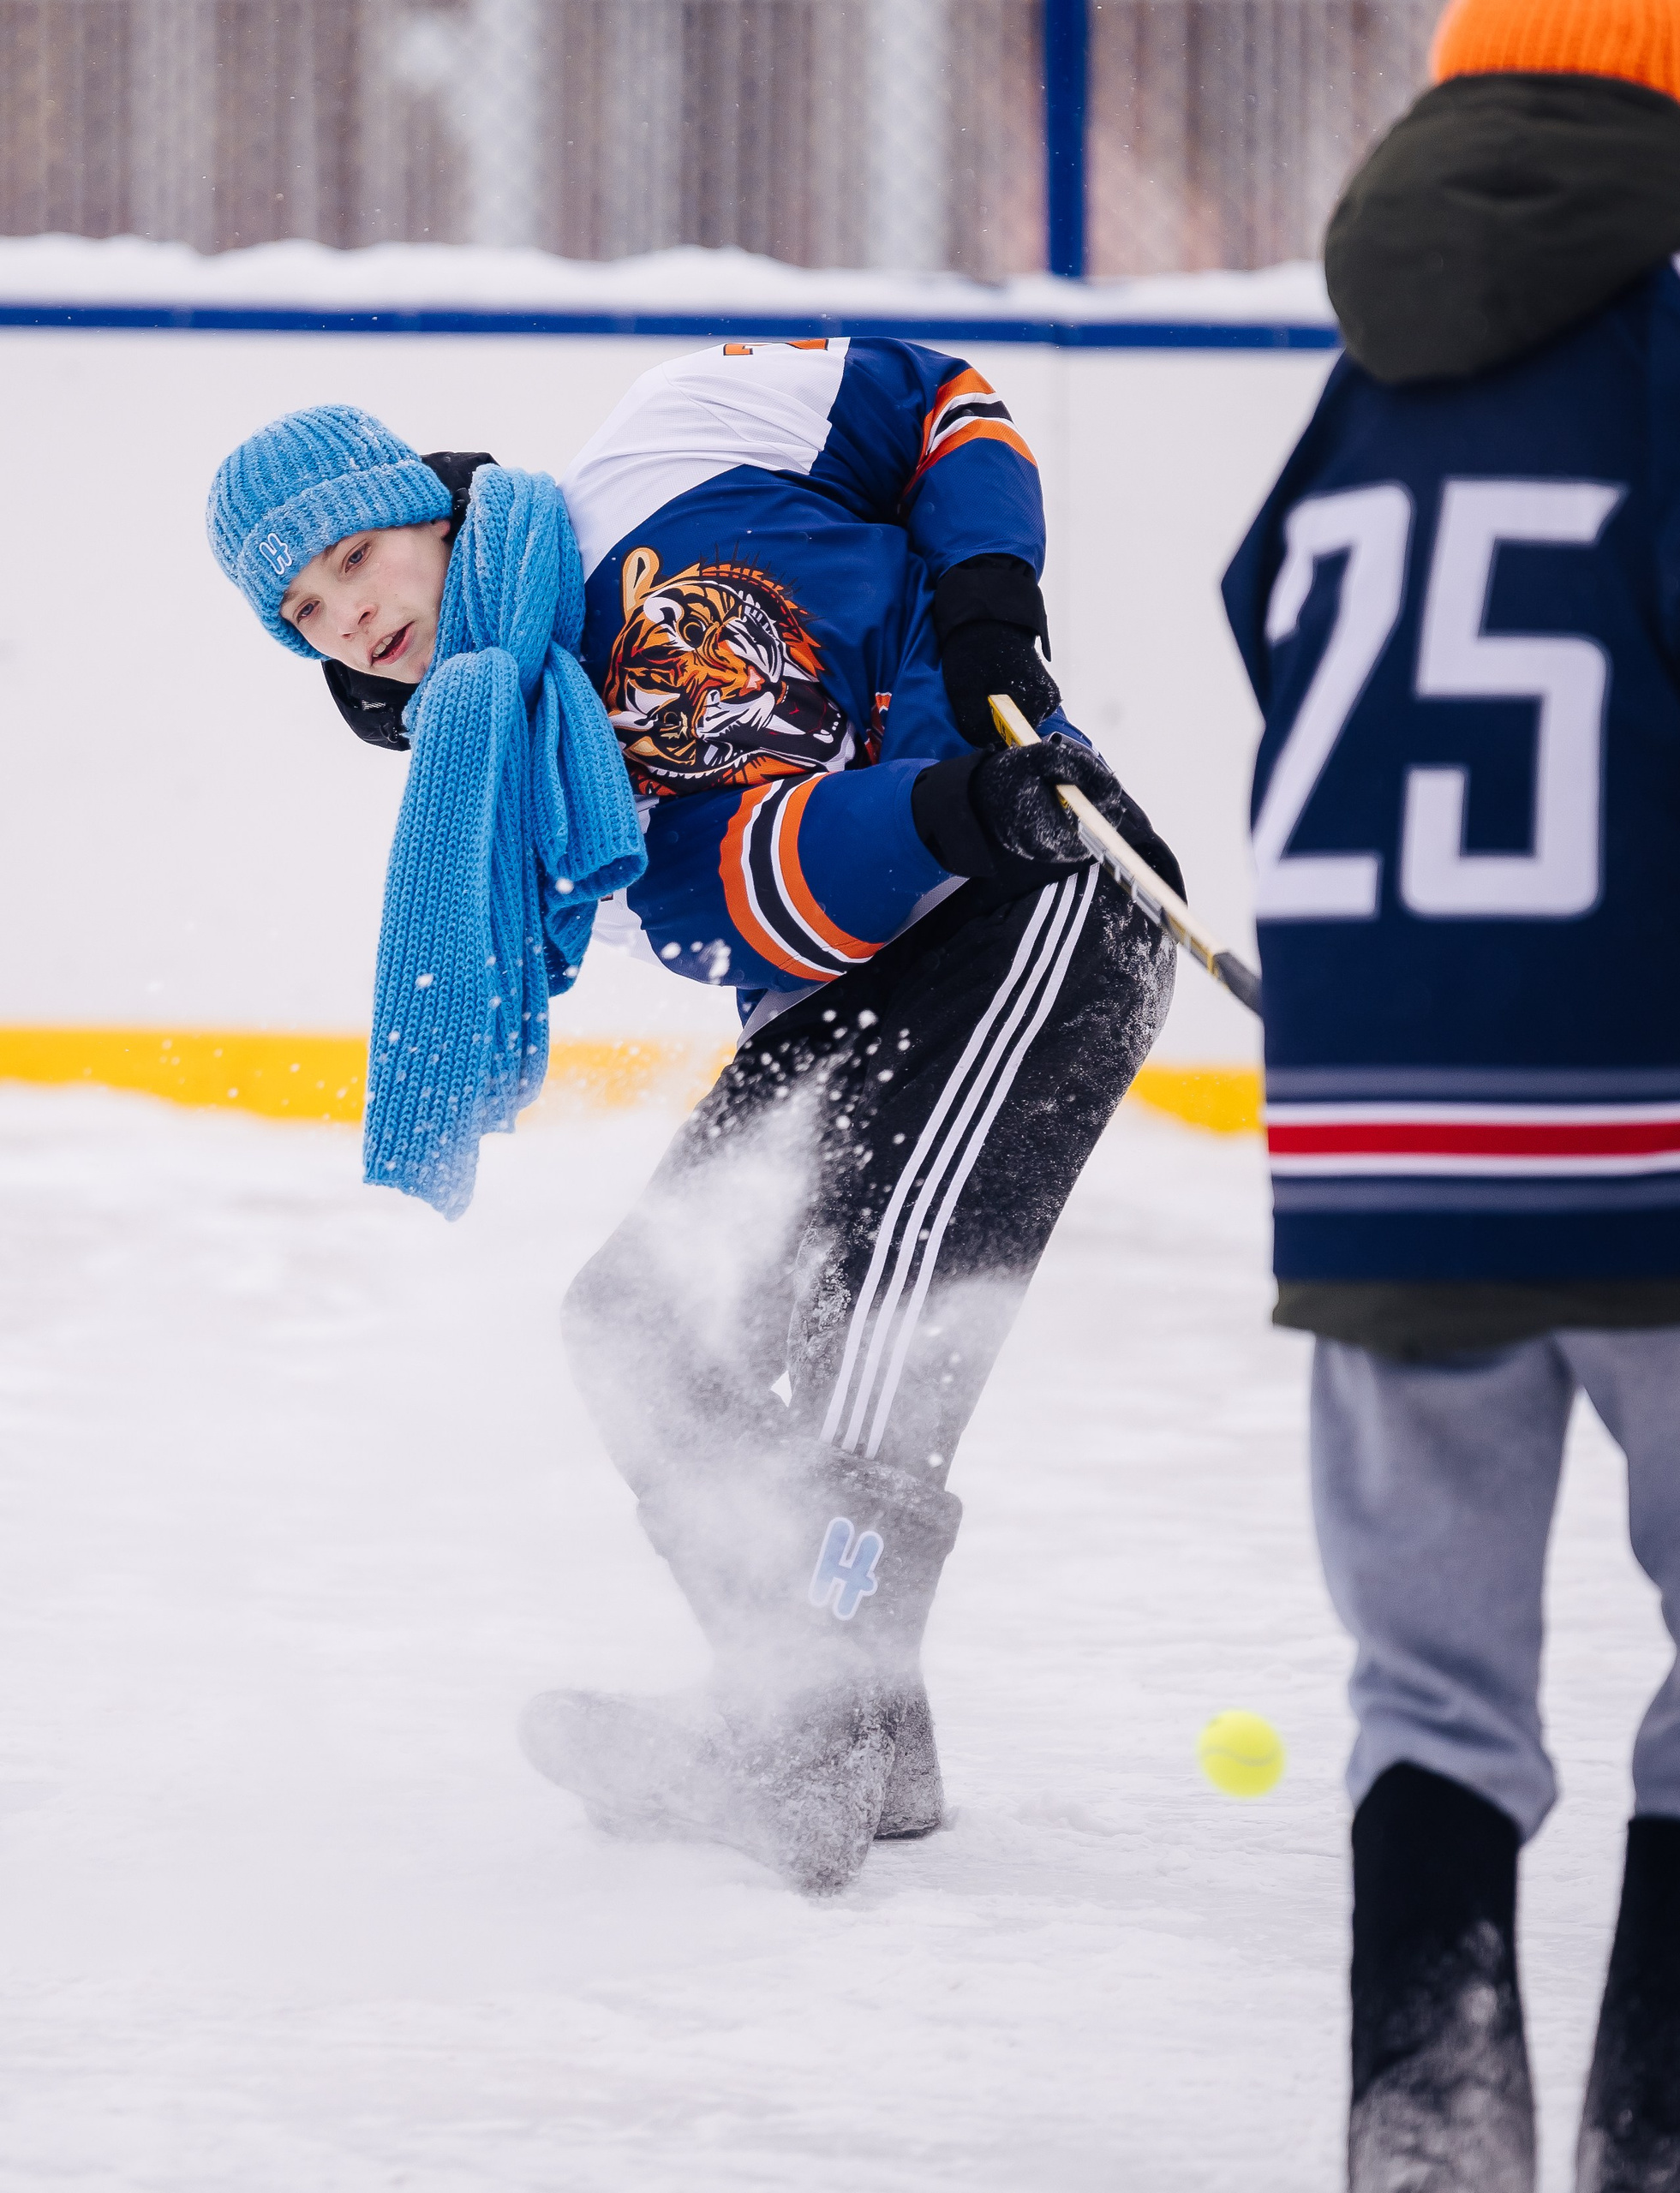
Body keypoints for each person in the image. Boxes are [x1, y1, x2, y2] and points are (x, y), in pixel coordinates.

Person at [1223, 0, 1680, 2183]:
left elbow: (1273, 622)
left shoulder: (1370, 363)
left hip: (1380, 1149)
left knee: (1427, 1696)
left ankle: (1422, 2125)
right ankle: (1670, 2141)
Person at [206, 339, 1178, 1896]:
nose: (352, 617)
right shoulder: (555, 770)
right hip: (863, 956)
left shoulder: (669, 439)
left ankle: (802, 1739)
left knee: (882, 1319)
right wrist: (933, 812)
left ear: (426, 510)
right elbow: (749, 903)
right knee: (637, 1325)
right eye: (304, 614)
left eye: (354, 557)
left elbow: (941, 403)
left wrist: (992, 600)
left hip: (1036, 896)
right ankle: (838, 1718)